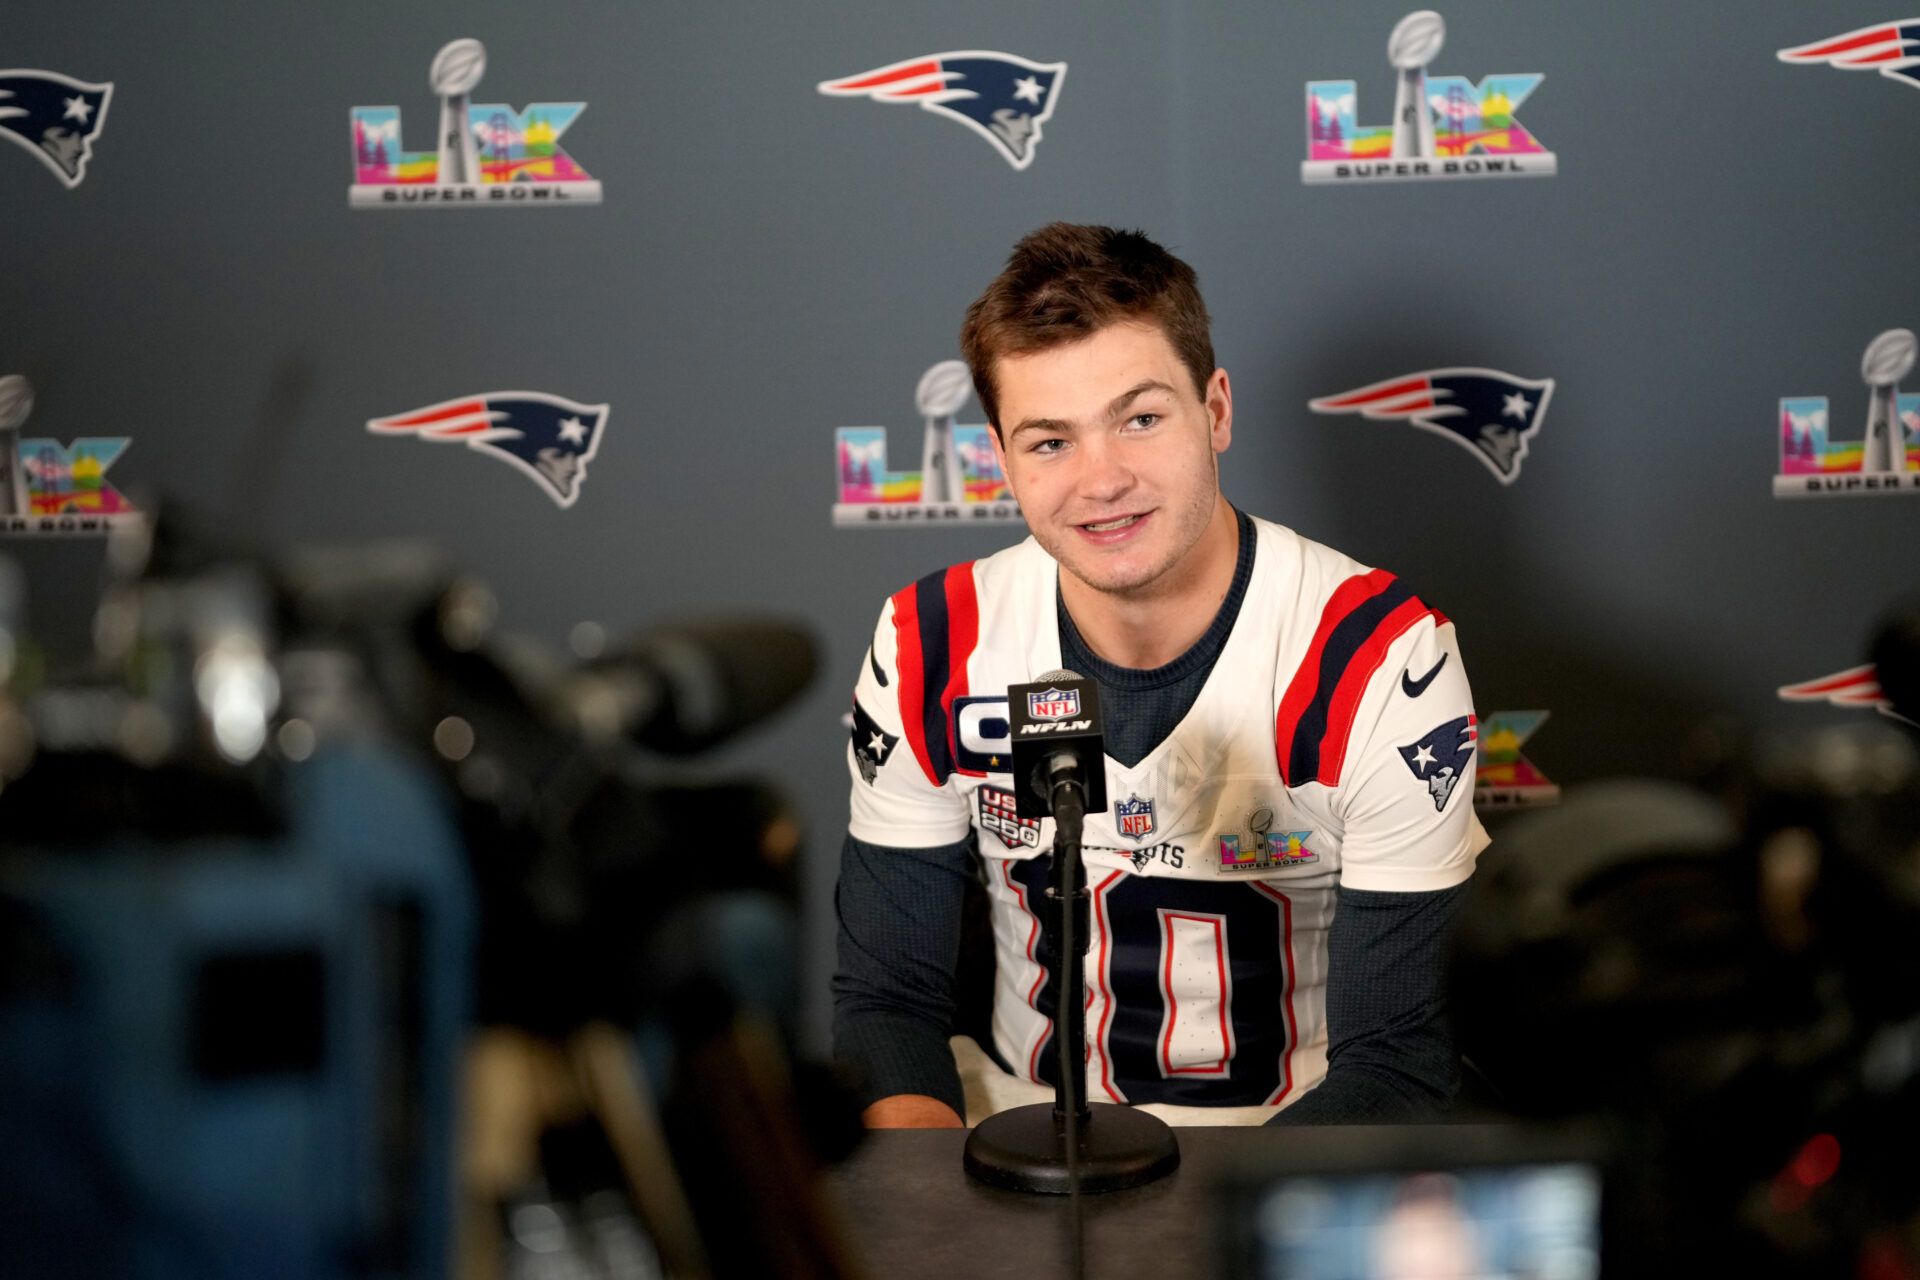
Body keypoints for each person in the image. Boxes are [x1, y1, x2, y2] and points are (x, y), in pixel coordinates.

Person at [834, 223, 1487, 1128]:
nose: (1102, 481)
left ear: (1215, 410)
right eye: (1049, 442)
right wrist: (935, 1214)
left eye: (1140, 419)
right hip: (1016, 1131)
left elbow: (1398, 1062)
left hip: (1283, 1149)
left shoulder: (1378, 656)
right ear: (999, 459)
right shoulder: (930, 642)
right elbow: (887, 1002)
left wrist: (1199, 1243)